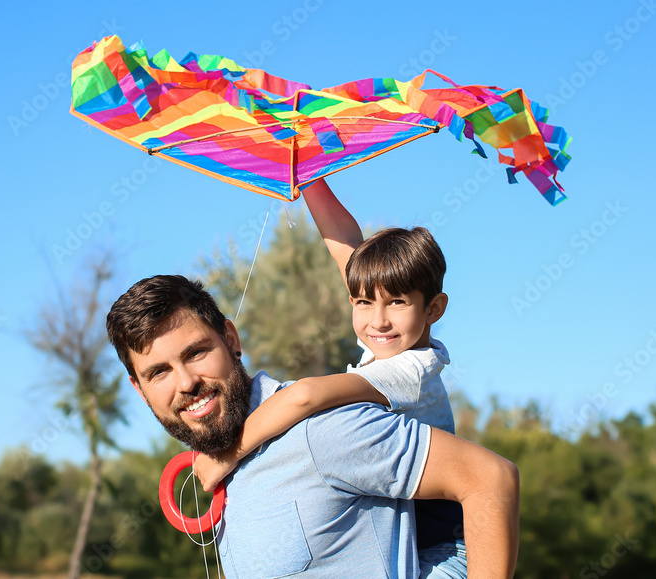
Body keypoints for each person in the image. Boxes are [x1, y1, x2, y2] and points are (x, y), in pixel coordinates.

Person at [107, 273, 519, 578]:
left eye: (196, 353)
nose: (186, 383)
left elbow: (489, 479)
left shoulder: (319, 431)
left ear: (231, 339)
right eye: (158, 372)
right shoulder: (221, 468)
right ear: (139, 390)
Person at [193, 178, 467, 575]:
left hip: (440, 552)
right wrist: (308, 172)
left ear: (434, 309)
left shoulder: (412, 369)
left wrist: (226, 456)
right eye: (362, 302)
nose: (378, 320)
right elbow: (343, 241)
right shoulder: (387, 343)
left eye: (397, 303)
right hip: (406, 532)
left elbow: (304, 397)